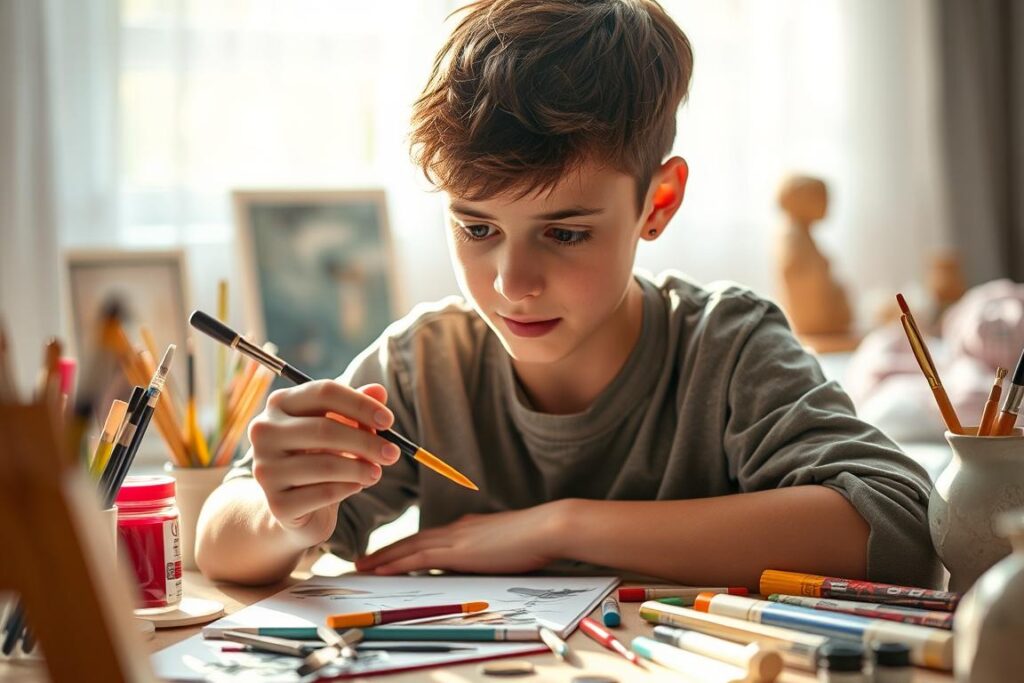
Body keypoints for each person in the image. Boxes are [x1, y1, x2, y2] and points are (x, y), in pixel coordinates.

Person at [195, 0, 941, 589]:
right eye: (477, 227)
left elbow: (900, 530)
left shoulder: (726, 345)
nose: (511, 285)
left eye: (567, 234)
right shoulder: (428, 362)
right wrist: (287, 514)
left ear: (658, 203)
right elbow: (221, 540)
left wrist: (560, 526)